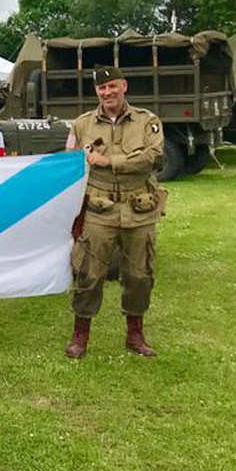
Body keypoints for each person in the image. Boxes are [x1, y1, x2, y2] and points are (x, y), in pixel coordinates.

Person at [64, 65, 165, 359]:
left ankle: (135, 335)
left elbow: (153, 156)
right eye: (102, 88)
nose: (107, 93)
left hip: (140, 209)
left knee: (139, 276)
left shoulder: (148, 121)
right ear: (97, 91)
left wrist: (109, 161)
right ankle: (80, 336)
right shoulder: (82, 125)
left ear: (124, 87)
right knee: (88, 275)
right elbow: (70, 160)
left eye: (112, 87)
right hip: (98, 210)